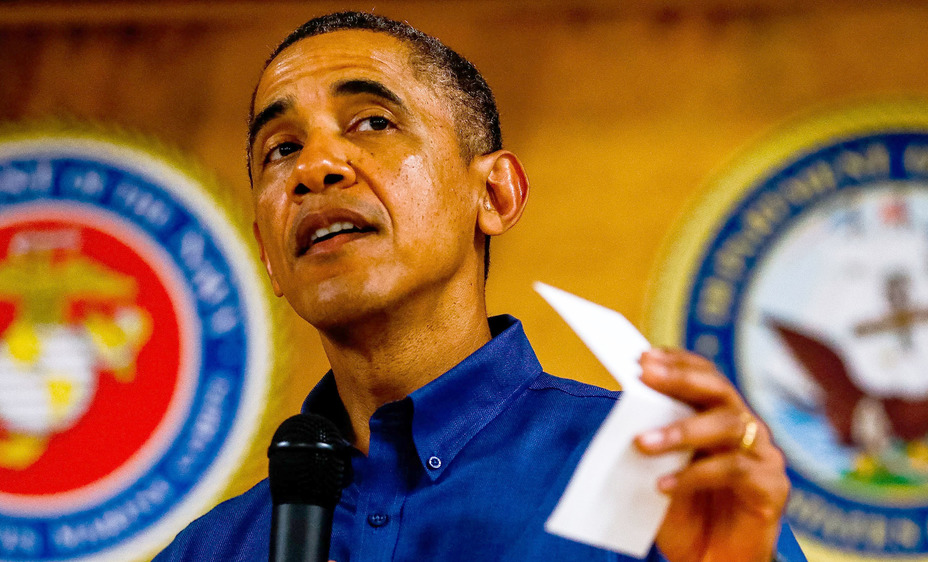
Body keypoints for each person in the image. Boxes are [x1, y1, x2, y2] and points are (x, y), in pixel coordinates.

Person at [156, 11, 799, 561]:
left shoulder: (664, 482)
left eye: (373, 123)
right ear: (267, 252)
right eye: (281, 148)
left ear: (493, 193)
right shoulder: (207, 549)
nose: (316, 167)